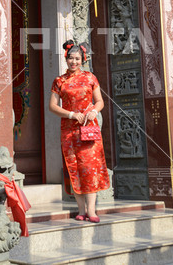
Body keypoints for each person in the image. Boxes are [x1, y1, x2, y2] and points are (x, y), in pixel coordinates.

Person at [49, 40, 110, 223]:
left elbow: (100, 101)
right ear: (66, 59)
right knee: (74, 168)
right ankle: (80, 210)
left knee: (89, 168)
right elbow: (52, 106)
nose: (73, 62)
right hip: (69, 130)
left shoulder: (91, 78)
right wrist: (71, 114)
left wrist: (93, 111)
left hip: (88, 129)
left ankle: (91, 211)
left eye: (77, 59)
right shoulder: (59, 81)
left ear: (82, 59)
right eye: (70, 58)